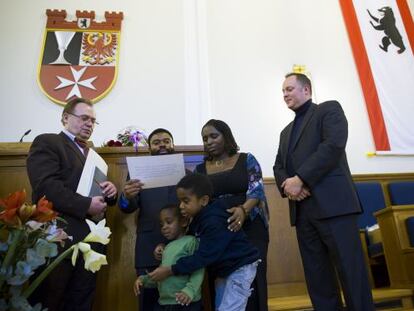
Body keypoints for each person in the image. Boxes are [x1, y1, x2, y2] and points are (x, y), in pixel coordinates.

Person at [273, 73, 375, 310]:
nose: (285, 94)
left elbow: (333, 146)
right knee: (318, 279)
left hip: (334, 207)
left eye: (289, 89)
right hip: (302, 211)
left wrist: (301, 179)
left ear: (306, 90)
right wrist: (290, 187)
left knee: (351, 273)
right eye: (283, 91)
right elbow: (278, 166)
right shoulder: (285, 132)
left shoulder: (328, 110)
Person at [26, 97, 118, 311]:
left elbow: (94, 192)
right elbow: (46, 187)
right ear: (66, 118)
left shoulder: (93, 156)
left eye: (93, 121)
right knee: (50, 300)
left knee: (81, 303)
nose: (89, 124)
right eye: (84, 118)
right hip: (58, 240)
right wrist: (86, 205)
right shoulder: (48, 141)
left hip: (90, 243)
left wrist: (110, 193)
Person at [147, 173, 260, 311]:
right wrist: (166, 248)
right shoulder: (197, 218)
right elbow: (187, 242)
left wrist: (171, 270)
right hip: (224, 270)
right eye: (180, 201)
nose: (181, 206)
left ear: (204, 200)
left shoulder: (213, 220)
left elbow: (204, 256)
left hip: (239, 268)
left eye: (186, 201)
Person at [195, 119, 269, 311]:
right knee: (223, 281)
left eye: (214, 136)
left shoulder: (247, 159)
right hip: (219, 233)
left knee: (253, 278)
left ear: (225, 136)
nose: (209, 141)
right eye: (205, 138)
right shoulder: (200, 170)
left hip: (251, 228)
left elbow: (257, 190)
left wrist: (243, 210)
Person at [118, 128, 178, 310]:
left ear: (172, 145)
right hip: (147, 249)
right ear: (149, 147)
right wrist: (126, 196)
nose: (162, 145)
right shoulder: (137, 174)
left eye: (166, 141)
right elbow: (128, 208)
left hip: (180, 248)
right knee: (149, 303)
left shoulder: (186, 174)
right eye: (157, 142)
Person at [134, 204, 204, 311]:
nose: (164, 227)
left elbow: (198, 268)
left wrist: (189, 291)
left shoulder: (190, 241)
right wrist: (144, 280)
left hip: (187, 302)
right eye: (162, 225)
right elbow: (162, 275)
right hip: (164, 304)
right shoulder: (166, 248)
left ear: (183, 222)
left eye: (169, 222)